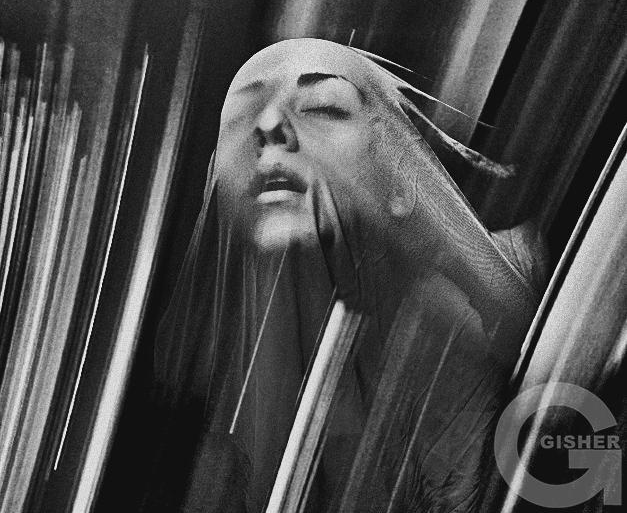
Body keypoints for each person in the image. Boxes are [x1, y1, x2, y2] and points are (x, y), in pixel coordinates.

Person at [153, 38, 542, 512]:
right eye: (241, 116)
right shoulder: (195, 402)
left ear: (401, 182)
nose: (269, 124)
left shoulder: (450, 338)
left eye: (323, 108)